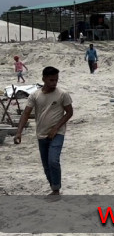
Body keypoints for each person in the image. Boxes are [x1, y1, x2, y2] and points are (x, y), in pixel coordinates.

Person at [14, 67, 74, 196]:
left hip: (57, 133)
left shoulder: (63, 94)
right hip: (41, 133)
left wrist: (56, 127)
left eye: (56, 80)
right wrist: (18, 132)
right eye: (51, 80)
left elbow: (69, 112)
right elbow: (25, 113)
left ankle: (56, 189)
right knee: (46, 165)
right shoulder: (35, 95)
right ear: (44, 79)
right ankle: (53, 187)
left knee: (53, 160)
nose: (54, 83)